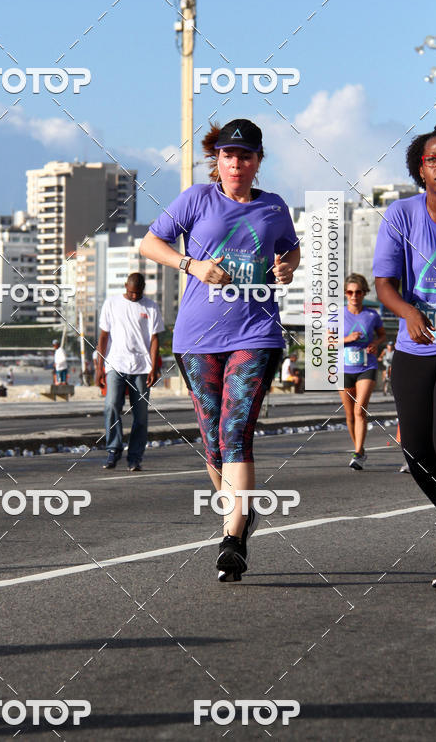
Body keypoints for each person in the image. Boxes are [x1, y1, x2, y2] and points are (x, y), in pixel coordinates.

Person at [139, 118, 300, 582]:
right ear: (218, 160)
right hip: (196, 339)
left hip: (255, 334)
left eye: (245, 156)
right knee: (212, 440)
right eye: (229, 155)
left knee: (235, 430)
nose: (236, 163)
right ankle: (241, 514)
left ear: (258, 162)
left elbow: (290, 250)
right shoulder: (196, 199)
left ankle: (232, 536)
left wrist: (286, 268)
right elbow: (150, 243)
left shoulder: (273, 207)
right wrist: (190, 264)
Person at [373, 124, 436, 588]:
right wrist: (407, 313)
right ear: (421, 168)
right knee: (416, 451)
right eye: (434, 158)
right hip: (416, 346)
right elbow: (384, 285)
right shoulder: (401, 214)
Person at [96, 273, 164, 471]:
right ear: (126, 286)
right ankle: (113, 449)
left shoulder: (151, 307)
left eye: (138, 293)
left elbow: (154, 339)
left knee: (140, 416)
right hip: (115, 364)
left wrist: (154, 367)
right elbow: (103, 337)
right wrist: (99, 368)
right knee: (111, 406)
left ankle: (134, 457)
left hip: (141, 367)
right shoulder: (111, 303)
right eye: (131, 292)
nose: (134, 296)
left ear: (143, 289)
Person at [339, 273, 386, 470]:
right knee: (350, 415)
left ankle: (358, 453)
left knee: (360, 410)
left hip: (367, 366)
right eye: (350, 292)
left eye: (358, 292)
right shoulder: (338, 315)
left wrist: (375, 343)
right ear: (345, 293)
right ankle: (360, 448)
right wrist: (347, 339)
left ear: (364, 292)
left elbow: (382, 336)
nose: (354, 296)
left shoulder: (372, 315)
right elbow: (325, 342)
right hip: (344, 368)